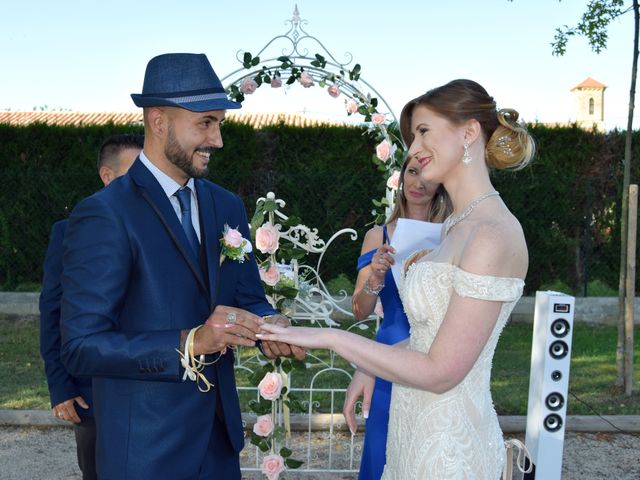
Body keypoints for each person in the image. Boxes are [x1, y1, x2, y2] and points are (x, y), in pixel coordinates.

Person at [257, 79, 535, 479]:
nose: (414, 149)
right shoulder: (458, 224)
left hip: (447, 452)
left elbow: (442, 371)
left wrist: (329, 337)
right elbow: (428, 336)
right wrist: (368, 364)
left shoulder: (491, 233)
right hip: (411, 435)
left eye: (423, 131)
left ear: (469, 132)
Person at [60, 53, 303, 480]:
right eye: (205, 123)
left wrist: (270, 326)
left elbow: (248, 297)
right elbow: (82, 345)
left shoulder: (226, 204)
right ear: (158, 121)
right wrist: (191, 342)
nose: (218, 139)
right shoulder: (104, 214)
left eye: (219, 124)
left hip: (219, 446)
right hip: (146, 452)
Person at [39, 133, 143, 480]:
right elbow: (53, 311)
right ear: (107, 176)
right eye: (135, 171)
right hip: (92, 392)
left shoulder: (166, 229)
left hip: (156, 384)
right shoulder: (68, 232)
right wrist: (61, 387)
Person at [344, 157, 450, 480]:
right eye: (412, 172)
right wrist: (376, 275)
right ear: (401, 177)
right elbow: (359, 311)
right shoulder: (377, 236)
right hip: (390, 357)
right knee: (384, 453)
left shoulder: (454, 234)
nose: (418, 183)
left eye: (427, 174)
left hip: (438, 353)